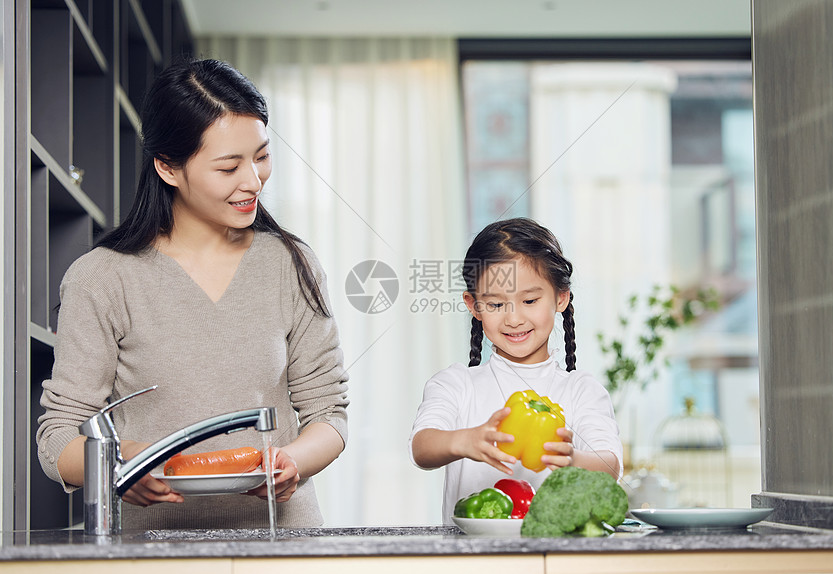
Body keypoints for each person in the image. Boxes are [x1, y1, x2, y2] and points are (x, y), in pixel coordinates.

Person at [36, 59, 349, 530]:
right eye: (229, 167)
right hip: (153, 551)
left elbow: (328, 412)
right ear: (168, 167)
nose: (253, 181)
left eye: (261, 156)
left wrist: (294, 462)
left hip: (283, 544)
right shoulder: (102, 277)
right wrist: (120, 462)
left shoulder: (290, 264)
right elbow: (57, 437)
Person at [409, 217, 622, 522]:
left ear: (561, 297)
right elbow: (422, 447)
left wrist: (573, 459)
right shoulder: (456, 383)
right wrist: (464, 441)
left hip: (557, 561)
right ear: (474, 305)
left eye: (530, 300)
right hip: (470, 563)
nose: (513, 319)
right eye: (496, 305)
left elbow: (611, 466)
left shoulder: (581, 390)